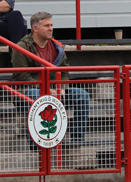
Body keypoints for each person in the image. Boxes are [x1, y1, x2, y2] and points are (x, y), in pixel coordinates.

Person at [12, 11, 90, 144]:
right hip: (28, 92)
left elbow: (64, 70)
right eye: (46, 26)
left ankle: (77, 140)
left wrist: (62, 88)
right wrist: (47, 89)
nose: (51, 29)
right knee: (34, 94)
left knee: (82, 95)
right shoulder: (22, 47)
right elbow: (22, 76)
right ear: (35, 28)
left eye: (51, 25)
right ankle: (35, 143)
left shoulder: (57, 47)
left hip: (55, 89)